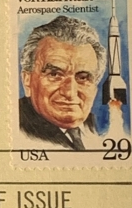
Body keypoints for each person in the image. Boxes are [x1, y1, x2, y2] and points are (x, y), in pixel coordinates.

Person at [18, 15, 106, 150]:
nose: (70, 92)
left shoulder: (97, 129)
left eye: (83, 78)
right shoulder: (17, 127)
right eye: (54, 75)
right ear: (27, 81)